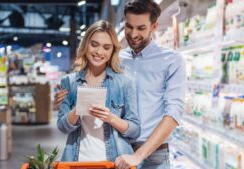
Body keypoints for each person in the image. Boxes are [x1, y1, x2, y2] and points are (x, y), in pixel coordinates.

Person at [55, 0, 186, 168]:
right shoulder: (115, 58)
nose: (133, 34)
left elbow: (174, 112)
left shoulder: (171, 60)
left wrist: (138, 155)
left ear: (154, 26)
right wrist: (64, 98)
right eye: (129, 26)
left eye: (141, 28)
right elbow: (89, 81)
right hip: (116, 147)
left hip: (154, 152)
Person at [57, 20, 140, 162]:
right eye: (94, 44)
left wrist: (110, 118)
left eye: (106, 47)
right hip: (77, 161)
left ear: (113, 50)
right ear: (85, 45)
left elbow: (134, 129)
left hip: (114, 161)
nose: (99, 52)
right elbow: (63, 127)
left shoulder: (124, 83)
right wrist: (77, 109)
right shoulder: (69, 82)